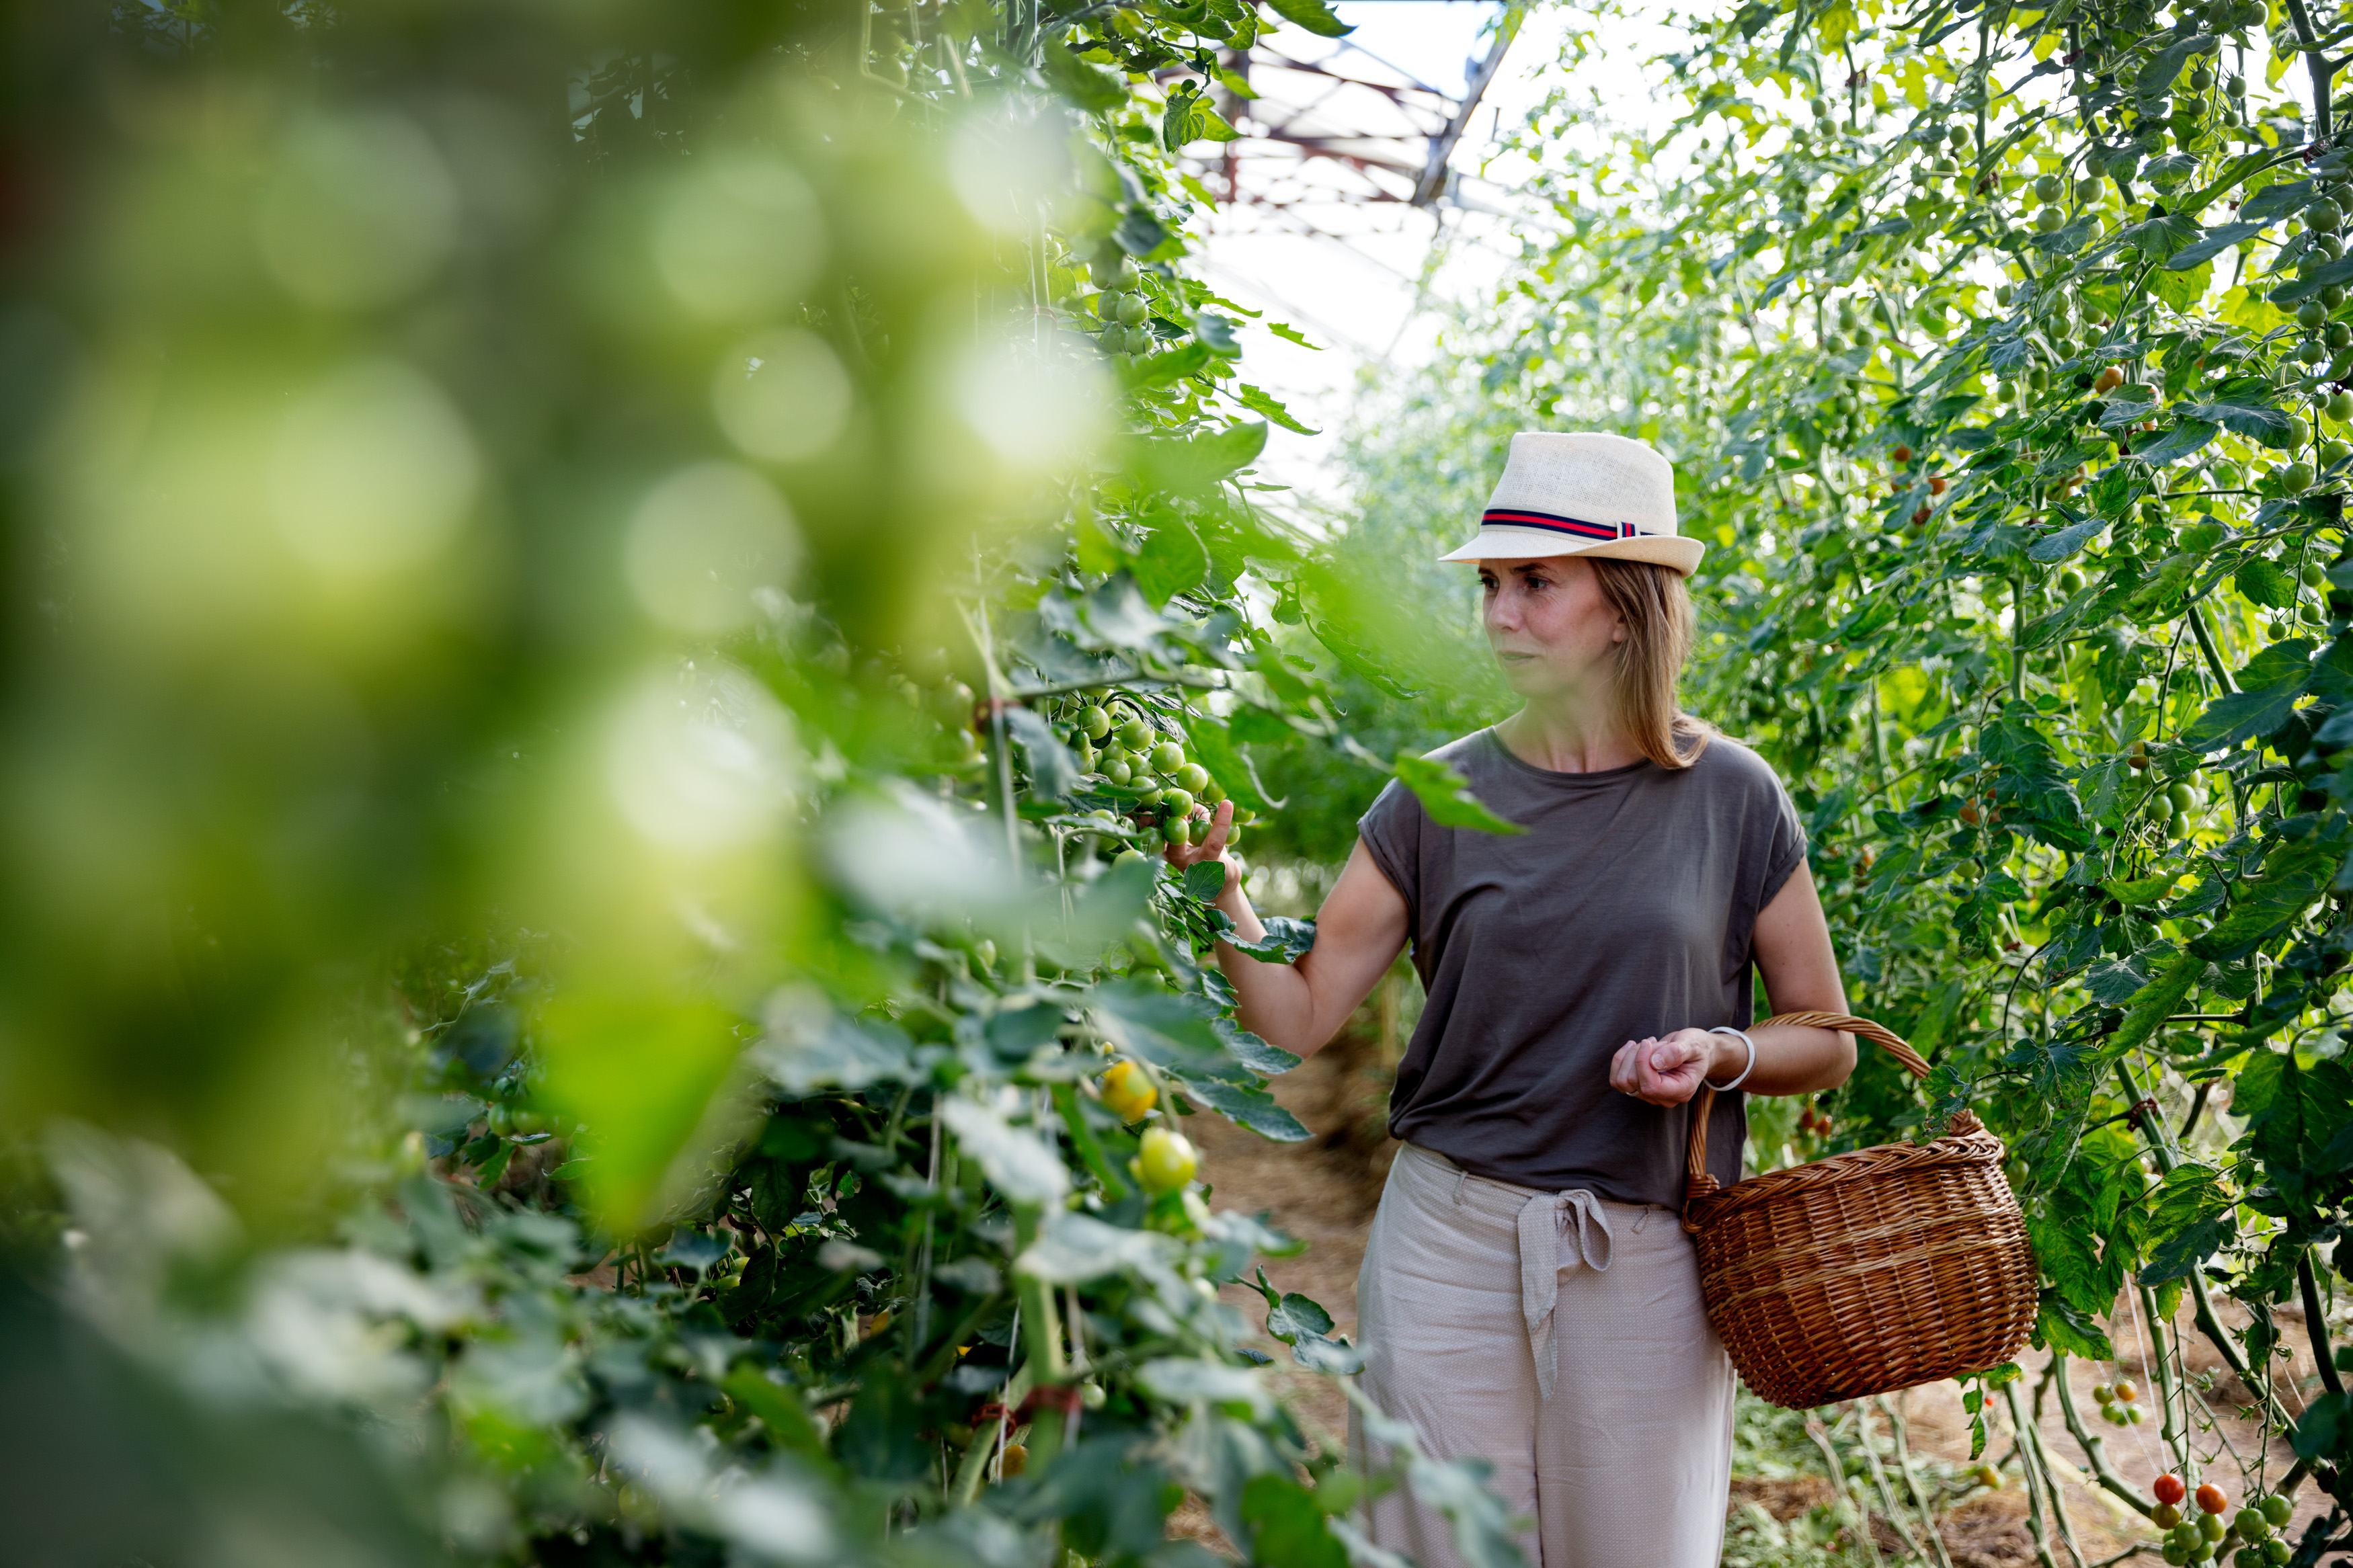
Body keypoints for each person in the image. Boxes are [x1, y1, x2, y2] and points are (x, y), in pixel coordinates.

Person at [1165, 431, 1858, 1568]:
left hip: (1644, 1257)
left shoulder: (1732, 794)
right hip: (1449, 1243)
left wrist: (1720, 1051)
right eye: (1492, 582)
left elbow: (1823, 1037)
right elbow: (1297, 1016)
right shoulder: (1434, 797)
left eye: (1538, 581)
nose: (1501, 612)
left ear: (1628, 604)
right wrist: (1219, 885)